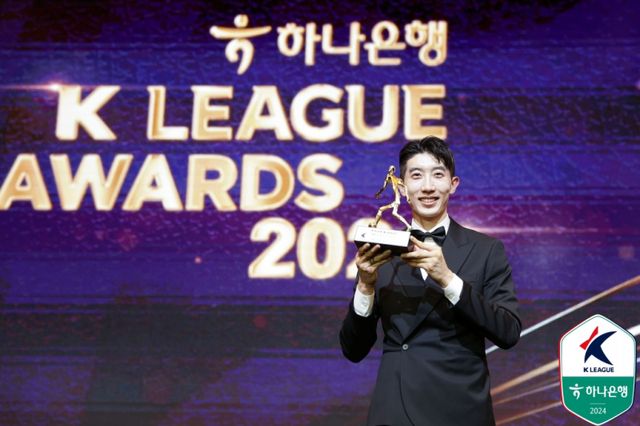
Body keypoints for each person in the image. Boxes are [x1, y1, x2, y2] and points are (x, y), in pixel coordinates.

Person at [339, 136, 521, 426]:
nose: (427, 186)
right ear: (402, 187)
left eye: (437, 175)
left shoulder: (486, 250)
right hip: (395, 411)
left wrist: (447, 279)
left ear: (453, 184)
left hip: (460, 410)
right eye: (416, 176)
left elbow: (508, 332)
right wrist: (365, 286)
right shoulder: (380, 251)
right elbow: (353, 350)